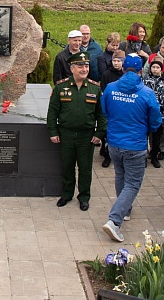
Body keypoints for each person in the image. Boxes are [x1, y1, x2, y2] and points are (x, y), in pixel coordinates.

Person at [100, 55, 161, 242]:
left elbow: (105, 111)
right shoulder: (147, 93)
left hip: (114, 143)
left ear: (123, 69)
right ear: (142, 70)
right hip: (135, 145)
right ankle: (114, 220)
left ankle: (125, 210)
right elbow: (156, 120)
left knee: (120, 176)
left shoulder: (110, 89)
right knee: (133, 183)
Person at [47, 52, 106, 211]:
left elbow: (101, 114)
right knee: (67, 166)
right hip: (66, 134)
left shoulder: (95, 88)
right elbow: (52, 112)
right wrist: (53, 131)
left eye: (86, 66)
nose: (84, 69)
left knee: (85, 168)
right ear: (72, 68)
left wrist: (99, 133)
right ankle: (66, 194)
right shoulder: (61, 87)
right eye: (80, 66)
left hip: (86, 137)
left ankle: (84, 197)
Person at [142, 56, 164, 168]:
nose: (155, 69)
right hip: (145, 114)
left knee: (156, 137)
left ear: (161, 69)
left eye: (157, 67)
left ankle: (154, 156)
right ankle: (143, 156)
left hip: (159, 114)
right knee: (144, 136)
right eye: (153, 67)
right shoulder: (145, 79)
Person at [99, 49, 125, 168]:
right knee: (107, 132)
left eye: (119, 60)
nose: (116, 63)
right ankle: (107, 155)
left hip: (122, 107)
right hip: (110, 107)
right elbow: (104, 91)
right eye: (114, 60)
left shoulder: (125, 75)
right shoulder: (106, 74)